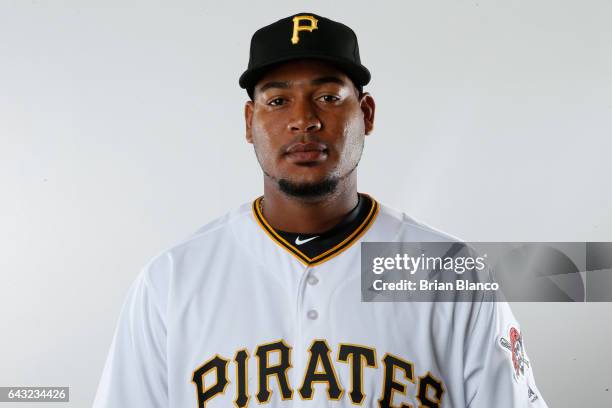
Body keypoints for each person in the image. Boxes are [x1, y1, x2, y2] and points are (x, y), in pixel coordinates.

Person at [93, 12, 548, 408]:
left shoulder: (448, 272)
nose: (304, 118)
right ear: (249, 123)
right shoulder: (171, 281)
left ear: (367, 114)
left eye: (329, 97)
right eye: (277, 100)